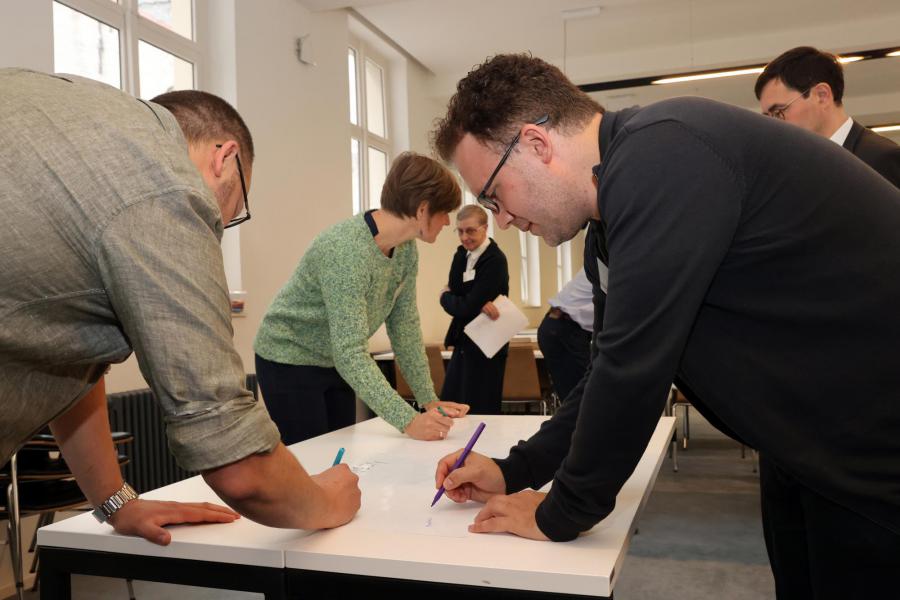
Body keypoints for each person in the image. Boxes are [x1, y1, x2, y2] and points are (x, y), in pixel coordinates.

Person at [429, 54, 900, 598]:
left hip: (872, 444)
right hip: (807, 443)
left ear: (536, 145)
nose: (501, 219)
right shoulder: (609, 223)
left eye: (493, 194)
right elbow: (608, 365)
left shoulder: (665, 153)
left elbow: (635, 368)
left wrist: (561, 512)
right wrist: (517, 470)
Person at [0, 68, 360, 545]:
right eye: (236, 209)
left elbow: (73, 354)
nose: (221, 223)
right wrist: (328, 500)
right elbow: (241, 468)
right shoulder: (166, 186)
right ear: (225, 158)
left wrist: (115, 501)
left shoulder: (76, 117)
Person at [254, 152, 469, 445]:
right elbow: (351, 353)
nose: (446, 222)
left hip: (334, 360)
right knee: (311, 460)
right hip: (289, 358)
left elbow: (404, 327)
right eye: (444, 212)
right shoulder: (346, 251)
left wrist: (428, 400)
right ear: (422, 210)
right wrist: (408, 421)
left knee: (339, 450)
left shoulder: (405, 249)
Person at [755, 46, 900, 188]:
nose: (773, 126)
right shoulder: (795, 169)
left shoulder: (879, 159)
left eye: (779, 112)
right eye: (768, 117)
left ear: (822, 96)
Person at [439, 205, 510, 414]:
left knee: (480, 406)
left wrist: (445, 296)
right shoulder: (461, 255)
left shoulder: (495, 259)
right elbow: (463, 298)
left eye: (470, 230)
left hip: (486, 342)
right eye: (460, 231)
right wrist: (469, 301)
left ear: (485, 228)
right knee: (453, 402)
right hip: (464, 340)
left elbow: (465, 304)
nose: (464, 237)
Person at [536, 268, 594, 403]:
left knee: (582, 398)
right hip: (564, 328)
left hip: (562, 327)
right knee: (582, 399)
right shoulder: (609, 262)